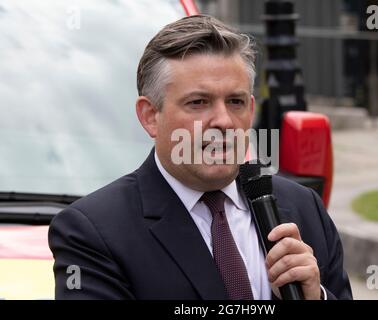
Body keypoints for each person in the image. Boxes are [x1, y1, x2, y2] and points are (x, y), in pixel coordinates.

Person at [48, 15, 352, 300]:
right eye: (198, 102)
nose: (223, 121)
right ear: (150, 116)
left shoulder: (303, 209)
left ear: (251, 109)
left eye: (235, 101)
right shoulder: (94, 232)